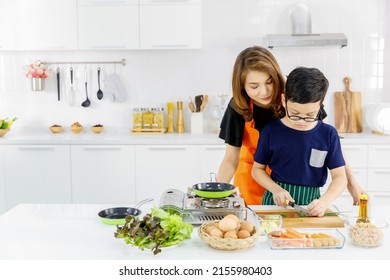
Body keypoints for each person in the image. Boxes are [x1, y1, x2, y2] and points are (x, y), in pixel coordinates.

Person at [217, 46, 364, 205]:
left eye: (269, 82)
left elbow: (327, 140)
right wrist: (215, 194)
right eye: (254, 86)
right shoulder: (239, 106)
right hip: (253, 179)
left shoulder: (297, 93)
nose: (264, 91)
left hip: (289, 180)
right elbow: (231, 159)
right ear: (242, 86)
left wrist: (351, 181)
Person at [251, 67, 346, 217]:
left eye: (310, 115)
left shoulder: (328, 134)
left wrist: (324, 202)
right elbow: (257, 170)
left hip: (311, 204)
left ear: (320, 105)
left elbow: (340, 177)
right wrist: (276, 190)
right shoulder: (271, 131)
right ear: (284, 100)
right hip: (275, 202)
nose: (301, 122)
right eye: (295, 114)